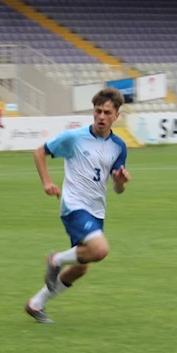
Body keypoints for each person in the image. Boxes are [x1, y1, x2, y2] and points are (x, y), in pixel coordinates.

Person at [24, 87, 131, 324]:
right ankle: (55, 260)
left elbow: (117, 188)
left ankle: (35, 304)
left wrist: (121, 183)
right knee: (100, 250)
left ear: (116, 116)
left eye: (106, 112)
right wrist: (47, 183)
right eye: (97, 111)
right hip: (74, 205)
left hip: (96, 210)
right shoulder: (74, 137)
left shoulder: (119, 147)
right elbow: (39, 152)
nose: (101, 116)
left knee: (81, 267)